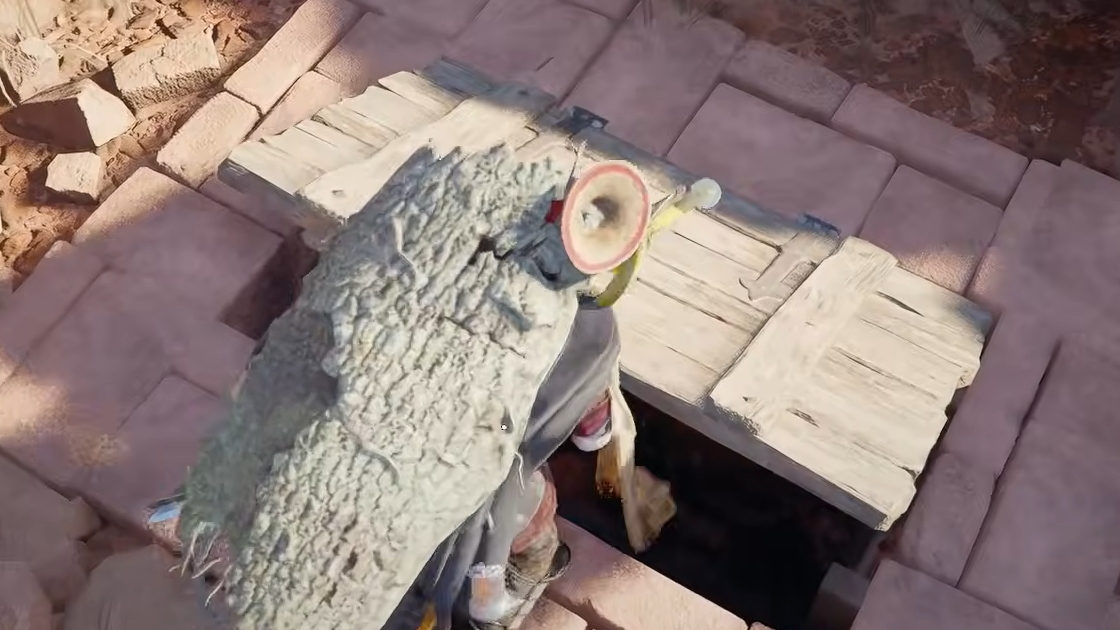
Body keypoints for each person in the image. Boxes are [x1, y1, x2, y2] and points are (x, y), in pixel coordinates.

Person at [416, 304, 620, 630]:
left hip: (442, 480)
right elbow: (591, 434)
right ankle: (500, 598)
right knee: (525, 538)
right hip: (499, 498)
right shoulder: (593, 335)